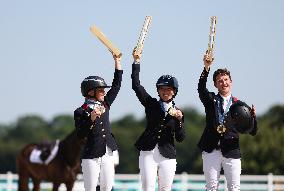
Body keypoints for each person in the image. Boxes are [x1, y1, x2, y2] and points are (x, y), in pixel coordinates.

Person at [197, 52, 258, 191]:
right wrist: (206, 68)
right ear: (215, 84)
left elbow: (252, 131)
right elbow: (201, 89)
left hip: (232, 149)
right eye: (220, 81)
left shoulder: (240, 105)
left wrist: (253, 118)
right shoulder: (211, 100)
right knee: (211, 187)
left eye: (226, 79)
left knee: (234, 187)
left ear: (231, 81)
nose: (223, 83)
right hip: (211, 149)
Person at [131, 48, 186, 191]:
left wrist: (179, 121)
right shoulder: (151, 104)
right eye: (162, 89)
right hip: (148, 151)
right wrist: (136, 62)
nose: (165, 91)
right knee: (148, 187)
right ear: (158, 90)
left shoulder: (179, 112)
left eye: (168, 89)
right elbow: (136, 86)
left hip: (167, 153)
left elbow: (180, 138)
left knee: (165, 189)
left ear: (174, 91)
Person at [74, 53, 123, 191]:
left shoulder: (106, 104)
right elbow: (80, 135)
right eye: (100, 90)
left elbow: (117, 85)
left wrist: (117, 61)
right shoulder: (80, 111)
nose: (104, 92)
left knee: (107, 188)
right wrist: (91, 119)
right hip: (91, 155)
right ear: (90, 92)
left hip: (108, 153)